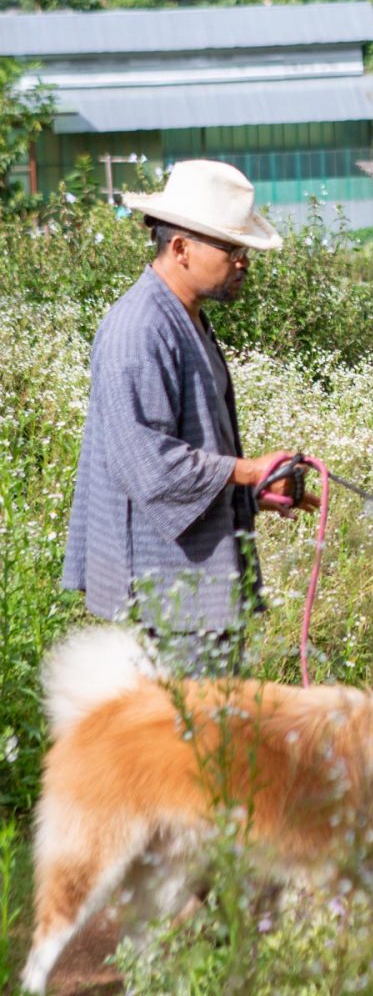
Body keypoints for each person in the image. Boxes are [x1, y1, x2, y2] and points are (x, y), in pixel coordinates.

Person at [62, 159, 317, 672]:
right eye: (232, 249)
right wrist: (246, 470)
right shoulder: (139, 328)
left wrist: (255, 493)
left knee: (209, 737)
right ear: (180, 248)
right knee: (189, 742)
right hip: (166, 591)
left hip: (194, 582)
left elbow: (188, 450)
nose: (243, 262)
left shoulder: (184, 318)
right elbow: (146, 462)